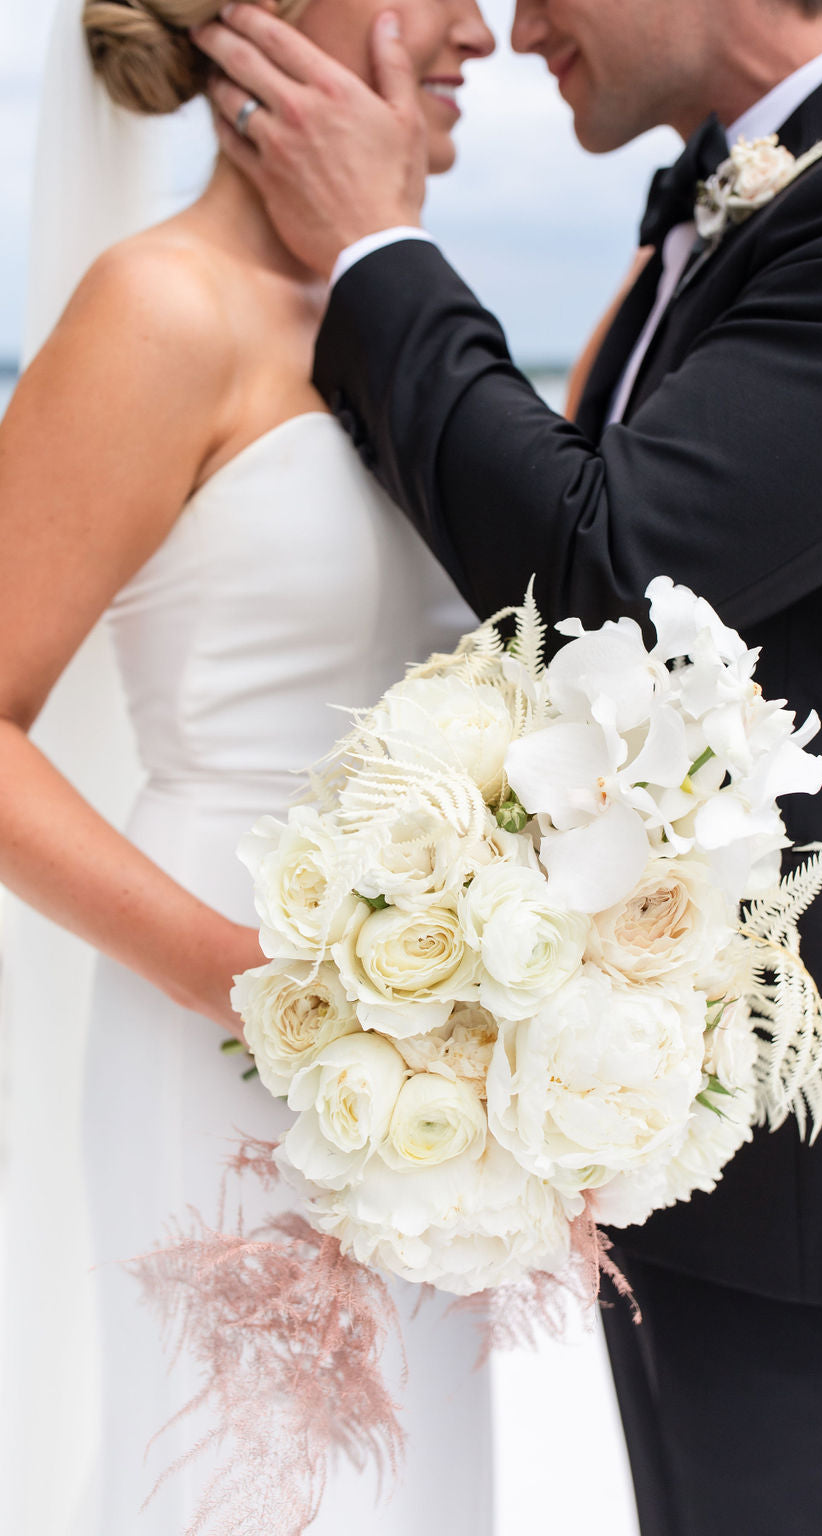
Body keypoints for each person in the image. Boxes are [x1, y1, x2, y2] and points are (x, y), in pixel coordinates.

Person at [190, 1, 822, 1531]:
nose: (511, 28)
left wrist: (379, 251)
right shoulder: (744, 188)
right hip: (683, 1126)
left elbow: (607, 563)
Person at [0, 0, 499, 1532]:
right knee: (246, 1481)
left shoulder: (410, 315)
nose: (479, 31)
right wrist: (235, 974)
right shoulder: (163, 304)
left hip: (439, 1054)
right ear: (266, 22)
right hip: (215, 1009)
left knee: (414, 1482)